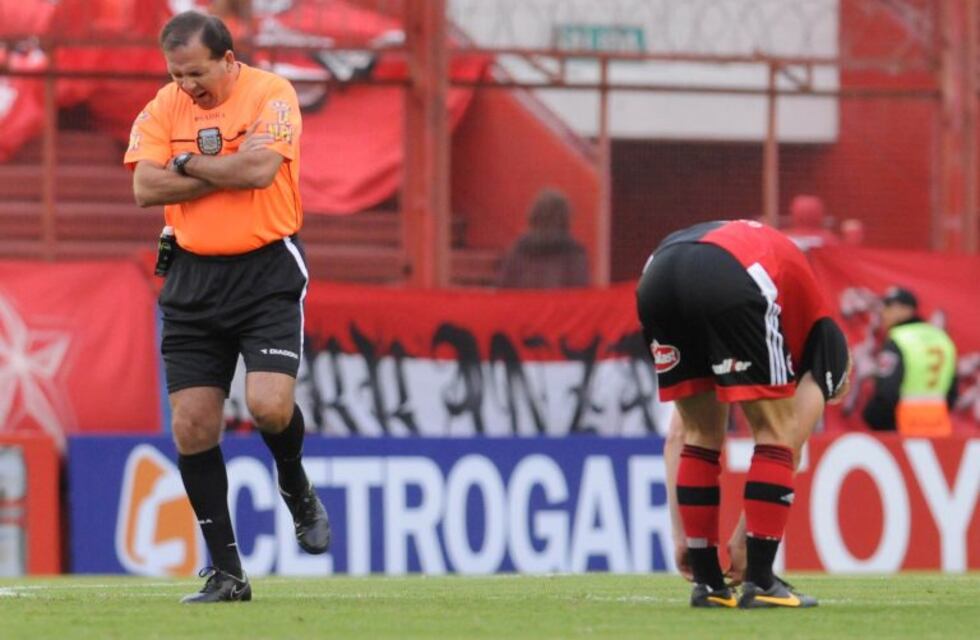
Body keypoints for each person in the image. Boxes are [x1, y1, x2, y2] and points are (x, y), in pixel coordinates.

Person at [124, 11, 330, 604]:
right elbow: (145, 188)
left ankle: (294, 484)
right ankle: (227, 573)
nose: (187, 85)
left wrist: (184, 165)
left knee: (269, 407)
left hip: (265, 269)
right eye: (177, 74)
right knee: (191, 424)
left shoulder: (271, 93)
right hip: (191, 275)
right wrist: (220, 171)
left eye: (195, 73)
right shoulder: (165, 105)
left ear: (228, 61)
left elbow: (263, 170)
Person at [636, 219, 851, 609]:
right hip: (733, 274)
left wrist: (684, 536)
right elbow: (788, 441)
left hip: (658, 272)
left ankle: (707, 584)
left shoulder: (791, 294)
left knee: (702, 432)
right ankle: (762, 583)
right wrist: (749, 541)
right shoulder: (828, 344)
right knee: (776, 427)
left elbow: (679, 435)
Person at [862, 286, 957, 436]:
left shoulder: (899, 339)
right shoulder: (942, 339)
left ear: (907, 310)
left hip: (903, 428)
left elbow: (886, 391)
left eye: (889, 307)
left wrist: (873, 417)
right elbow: (952, 392)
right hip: (939, 428)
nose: (883, 312)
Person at [497, 188, 589, 288]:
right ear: (566, 218)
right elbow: (579, 292)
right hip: (559, 303)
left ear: (534, 215)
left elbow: (504, 289)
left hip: (526, 303)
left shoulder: (518, 250)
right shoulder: (575, 253)